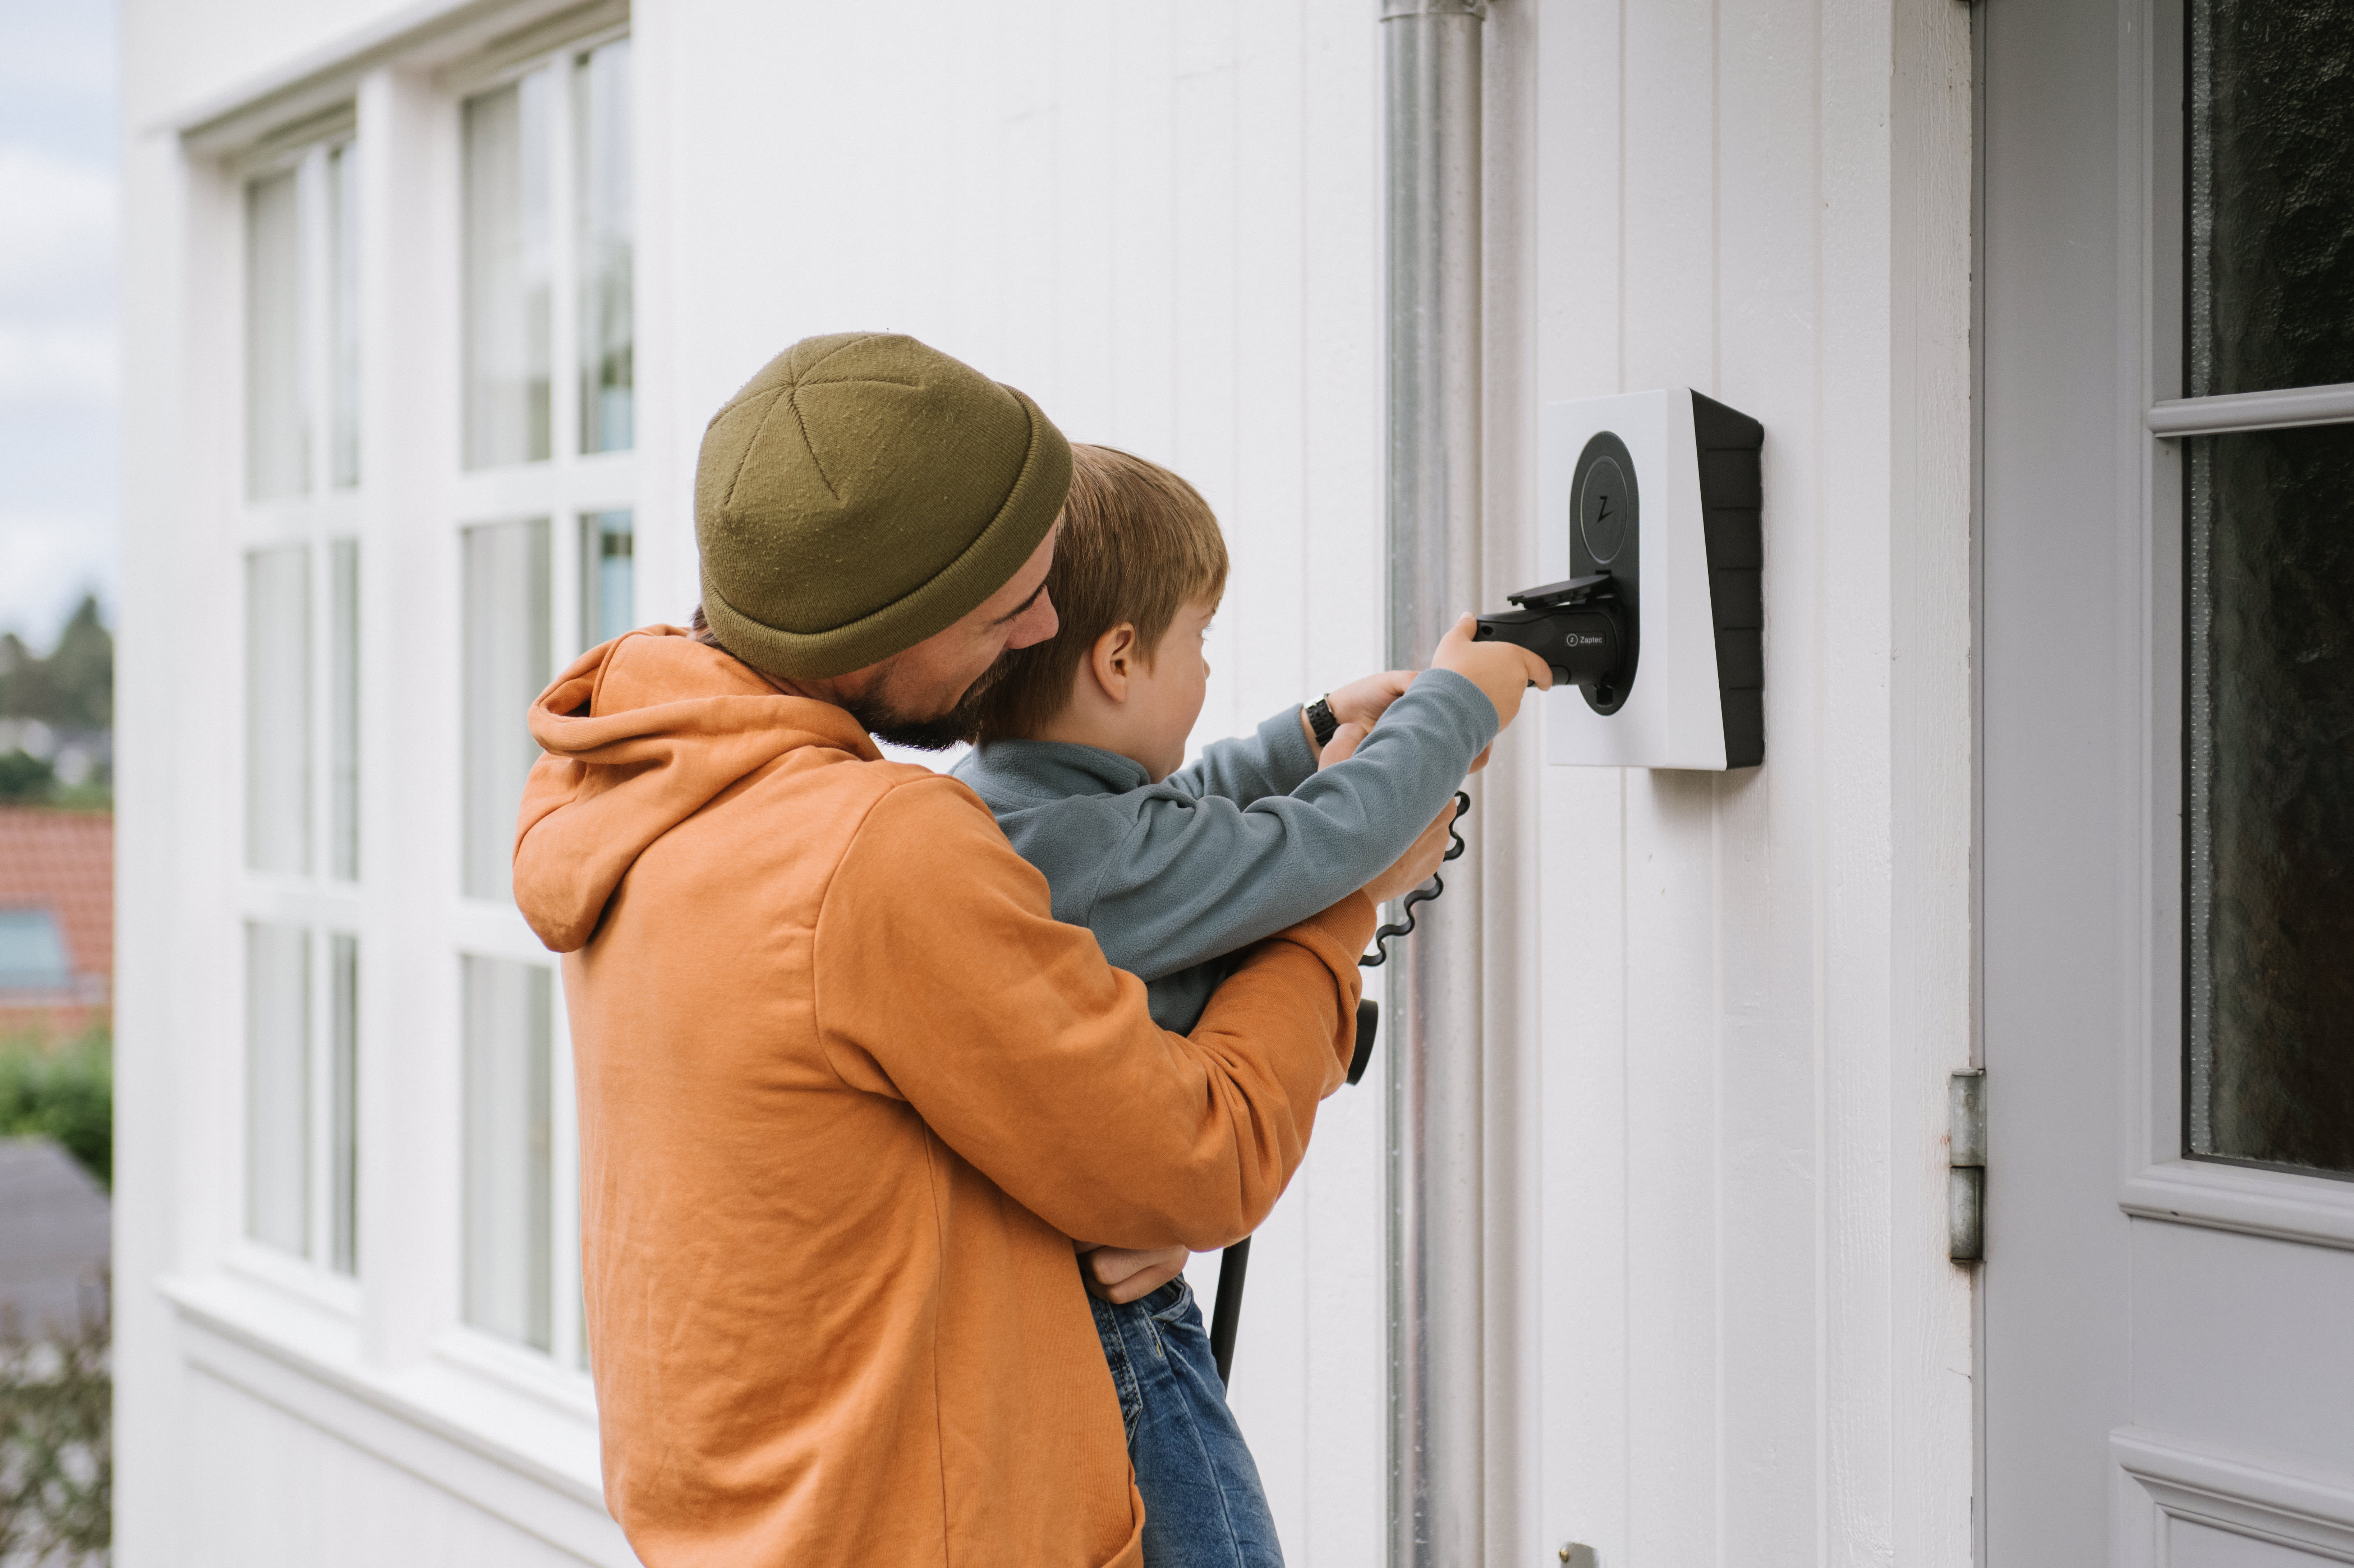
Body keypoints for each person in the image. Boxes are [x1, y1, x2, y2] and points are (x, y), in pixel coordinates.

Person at [509, 332, 1545, 1568]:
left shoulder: (657, 794)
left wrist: (1306, 736)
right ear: (890, 619)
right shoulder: (880, 852)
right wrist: (1343, 895)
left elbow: (898, 1140)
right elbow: (1200, 1159)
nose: (1044, 627)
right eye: (1011, 606)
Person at [952, 444, 1542, 1568]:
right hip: (1119, 1331)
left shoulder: (1002, 809)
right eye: (1199, 639)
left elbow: (1170, 814)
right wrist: (1469, 702)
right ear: (1121, 658)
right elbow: (1324, 843)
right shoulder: (1084, 856)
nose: (1209, 671)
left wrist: (1308, 731)